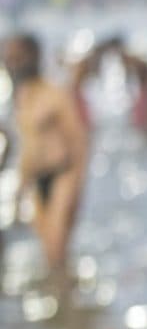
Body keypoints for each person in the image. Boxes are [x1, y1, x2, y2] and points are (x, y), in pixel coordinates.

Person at [3, 33, 90, 275]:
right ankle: (64, 299)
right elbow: (28, 148)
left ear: (33, 56)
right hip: (35, 182)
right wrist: (19, 191)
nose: (12, 63)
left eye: (17, 57)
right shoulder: (21, 97)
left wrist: (76, 185)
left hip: (62, 175)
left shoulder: (56, 94)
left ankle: (66, 303)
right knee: (49, 254)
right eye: (8, 58)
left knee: (56, 247)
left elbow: (80, 142)